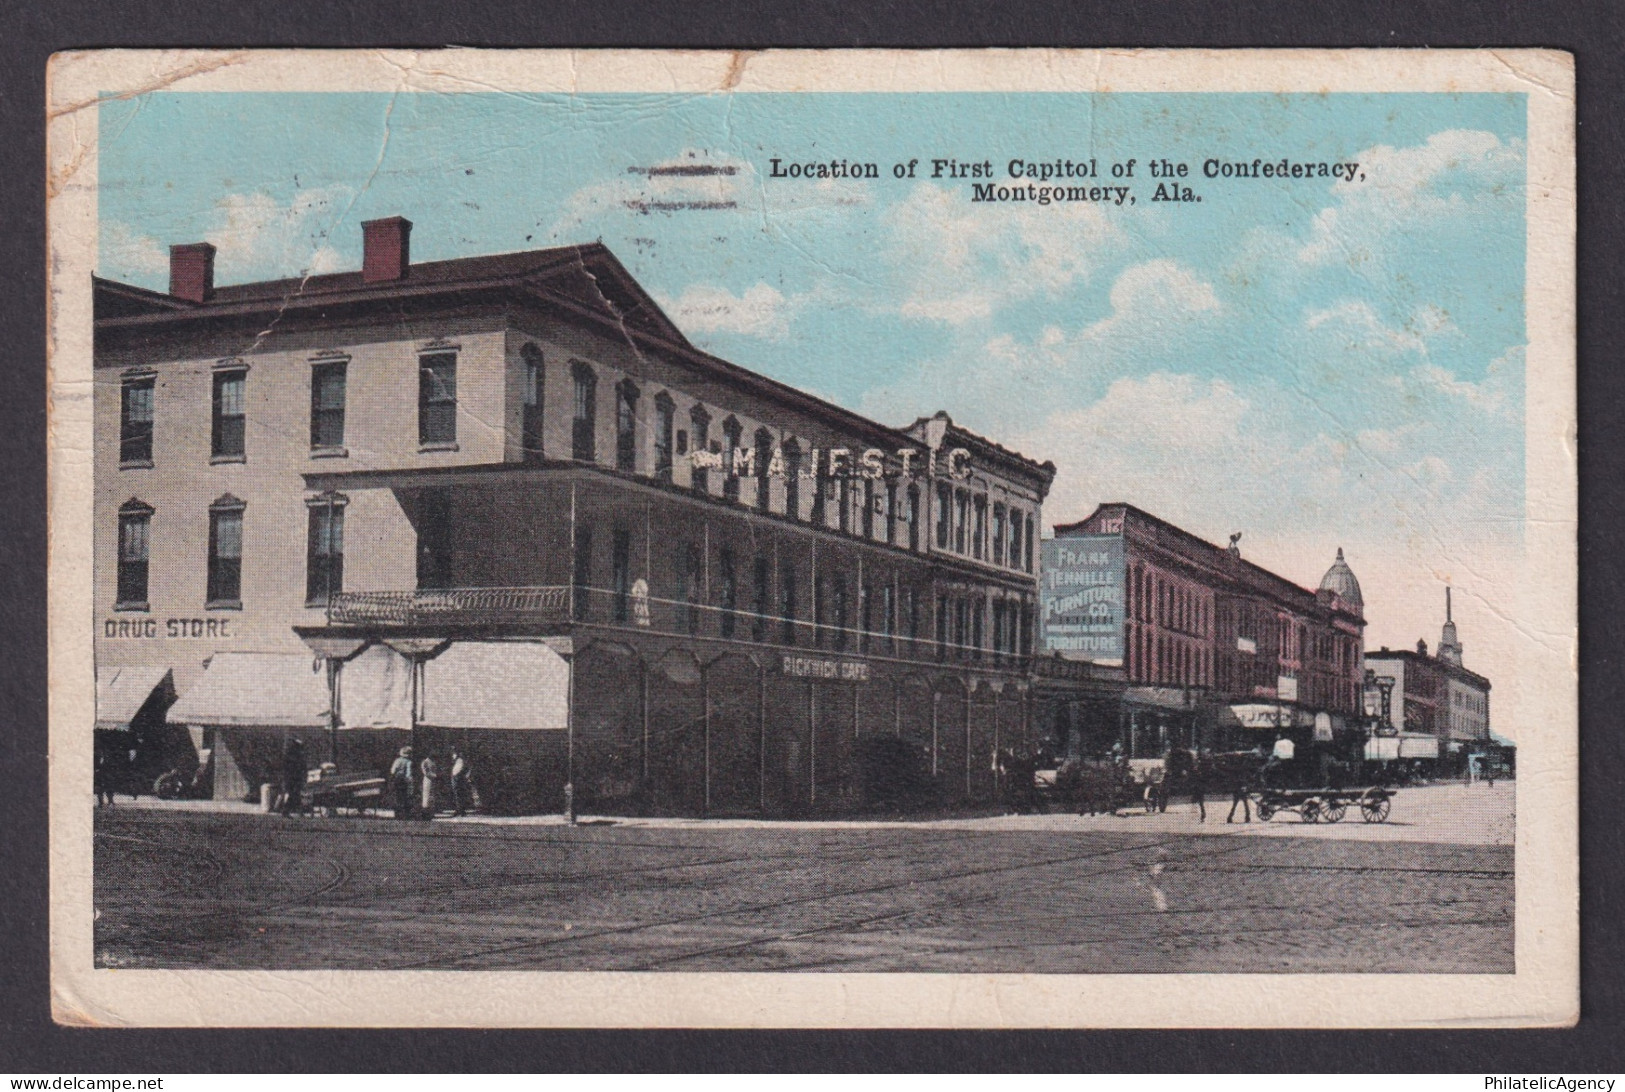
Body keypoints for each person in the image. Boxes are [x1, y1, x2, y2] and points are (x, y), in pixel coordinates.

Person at [279, 736, 306, 817]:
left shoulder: (292, 756)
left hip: (292, 778)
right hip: (292, 778)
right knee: (294, 795)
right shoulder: (294, 757)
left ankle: (298, 811)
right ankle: (288, 811)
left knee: (295, 795)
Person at [389, 747, 415, 820]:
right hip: (404, 781)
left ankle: (397, 814)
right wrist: (410, 782)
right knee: (405, 797)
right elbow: (408, 774)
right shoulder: (409, 762)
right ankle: (405, 815)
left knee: (397, 797)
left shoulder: (397, 761)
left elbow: (392, 771)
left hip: (397, 780)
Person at [449, 747, 473, 817]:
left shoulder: (461, 760)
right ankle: (459, 809)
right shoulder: (456, 760)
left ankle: (460, 810)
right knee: (457, 794)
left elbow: (461, 769)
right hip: (455, 777)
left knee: (459, 794)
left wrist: (457, 775)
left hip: (458, 777)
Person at [419, 753, 440, 819]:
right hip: (428, 780)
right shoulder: (425, 762)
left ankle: (431, 813)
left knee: (432, 797)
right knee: (426, 796)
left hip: (433, 781)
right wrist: (435, 775)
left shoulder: (433, 761)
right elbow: (426, 772)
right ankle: (425, 813)